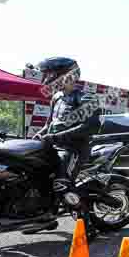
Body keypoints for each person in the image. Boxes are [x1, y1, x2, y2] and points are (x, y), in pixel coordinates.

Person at [35, 57, 101, 204]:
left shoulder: (86, 98)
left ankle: (83, 217)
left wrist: (55, 136)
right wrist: (40, 134)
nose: (49, 79)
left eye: (53, 75)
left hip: (73, 149)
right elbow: (49, 124)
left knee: (62, 185)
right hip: (54, 145)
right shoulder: (56, 98)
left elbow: (90, 127)